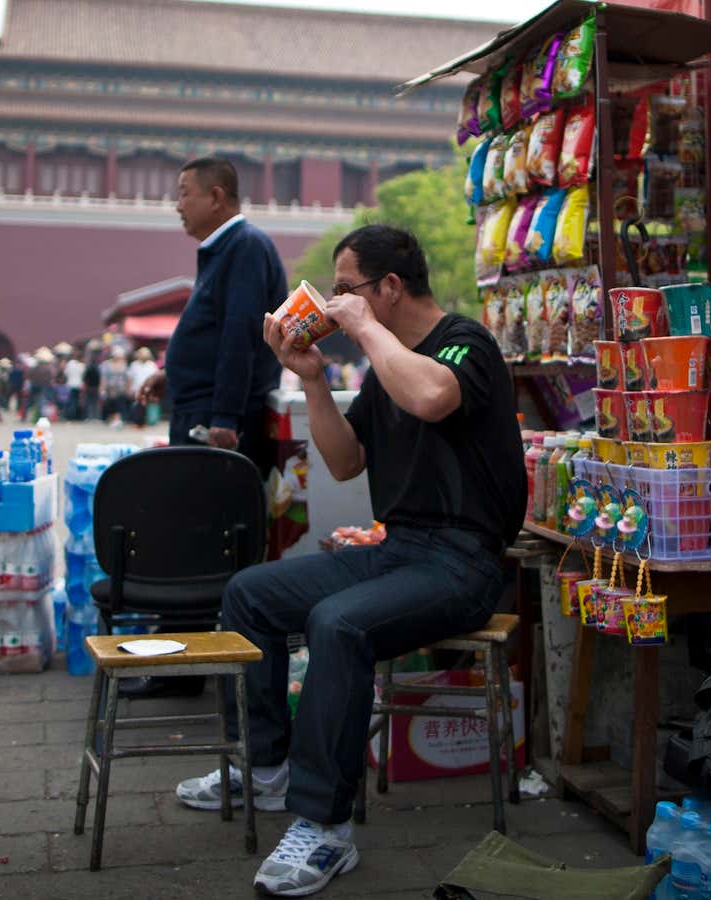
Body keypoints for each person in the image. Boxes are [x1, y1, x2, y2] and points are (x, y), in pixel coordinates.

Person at [173, 225, 525, 896]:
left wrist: (363, 330)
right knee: (249, 594)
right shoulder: (382, 361)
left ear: (389, 288)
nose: (335, 303)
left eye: (346, 289)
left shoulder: (464, 343)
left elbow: (431, 397)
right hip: (397, 549)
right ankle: (268, 767)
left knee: (338, 623)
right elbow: (343, 461)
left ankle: (326, 828)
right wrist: (310, 380)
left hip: (464, 564)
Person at [136, 157, 284, 475]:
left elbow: (239, 333)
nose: (178, 206)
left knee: (208, 513)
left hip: (214, 418)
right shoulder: (226, 249)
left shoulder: (245, 247)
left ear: (216, 197)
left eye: (184, 194)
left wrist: (225, 416)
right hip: (199, 408)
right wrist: (173, 374)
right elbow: (214, 331)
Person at [126, 347, 158, 430]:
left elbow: (155, 378)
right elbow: (130, 378)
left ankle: (143, 423)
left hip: (148, 390)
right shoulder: (134, 365)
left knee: (145, 407)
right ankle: (136, 422)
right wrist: (129, 388)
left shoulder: (152, 365)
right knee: (136, 407)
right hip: (136, 389)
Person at [63, 351, 86, 422]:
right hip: (78, 385)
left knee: (70, 401)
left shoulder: (70, 364)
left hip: (70, 385)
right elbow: (83, 376)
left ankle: (70, 416)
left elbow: (65, 373)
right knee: (76, 402)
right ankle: (75, 416)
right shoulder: (82, 366)